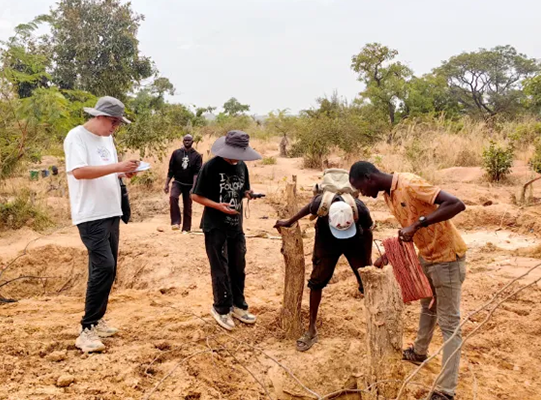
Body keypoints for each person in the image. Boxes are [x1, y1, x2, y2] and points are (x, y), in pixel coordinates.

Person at [349, 161, 467, 400]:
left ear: (369, 177)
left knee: (449, 324)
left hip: (447, 258)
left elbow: (456, 204)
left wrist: (418, 224)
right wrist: (387, 256)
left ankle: (446, 390)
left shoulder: (410, 184)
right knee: (427, 307)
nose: (363, 194)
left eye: (361, 188)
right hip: (427, 256)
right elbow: (408, 230)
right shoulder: (389, 196)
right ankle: (419, 352)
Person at [64, 96, 139, 353]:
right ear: (99, 116)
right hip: (90, 214)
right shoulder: (76, 137)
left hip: (111, 211)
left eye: (118, 123)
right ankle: (86, 330)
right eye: (114, 122)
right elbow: (79, 172)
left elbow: (107, 170)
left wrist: (123, 172)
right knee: (104, 267)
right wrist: (117, 166)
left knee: (108, 268)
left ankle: (97, 321)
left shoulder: (107, 140)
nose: (115, 128)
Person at [274, 196, 373, 352]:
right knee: (316, 281)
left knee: (367, 280)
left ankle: (376, 323)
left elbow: (368, 232)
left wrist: (367, 260)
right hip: (327, 239)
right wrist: (289, 221)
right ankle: (312, 329)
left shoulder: (360, 209)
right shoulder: (321, 204)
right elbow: (307, 209)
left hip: (355, 240)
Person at [191, 130, 262, 330]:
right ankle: (221, 308)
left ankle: (238, 306)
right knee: (220, 269)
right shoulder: (210, 167)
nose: (237, 158)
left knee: (238, 267)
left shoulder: (242, 166)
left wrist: (248, 194)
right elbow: (195, 196)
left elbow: (243, 189)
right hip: (215, 226)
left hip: (236, 226)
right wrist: (218, 206)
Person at [164, 135, 202, 233]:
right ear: (183, 141)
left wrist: (194, 187)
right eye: (185, 140)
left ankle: (186, 228)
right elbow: (171, 170)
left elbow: (196, 173)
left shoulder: (197, 156)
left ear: (192, 142)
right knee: (173, 197)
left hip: (189, 184)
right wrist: (166, 184)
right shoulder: (176, 153)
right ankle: (175, 222)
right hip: (178, 182)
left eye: (189, 140)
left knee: (187, 206)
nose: (187, 142)